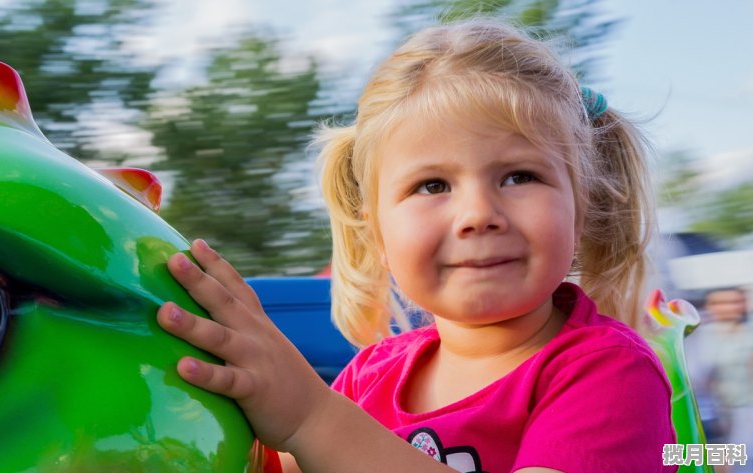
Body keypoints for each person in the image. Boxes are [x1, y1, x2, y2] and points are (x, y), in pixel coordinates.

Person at [156, 19, 676, 473]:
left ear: (580, 208)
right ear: (377, 233)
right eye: (432, 186)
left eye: (519, 176)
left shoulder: (609, 373)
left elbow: (315, 431)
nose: (478, 215)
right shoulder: (367, 377)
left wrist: (311, 417)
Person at [689, 287, 752, 473]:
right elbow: (695, 377)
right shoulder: (699, 337)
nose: (728, 308)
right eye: (720, 303)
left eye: (734, 302)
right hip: (711, 414)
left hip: (745, 412)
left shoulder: (748, 335)